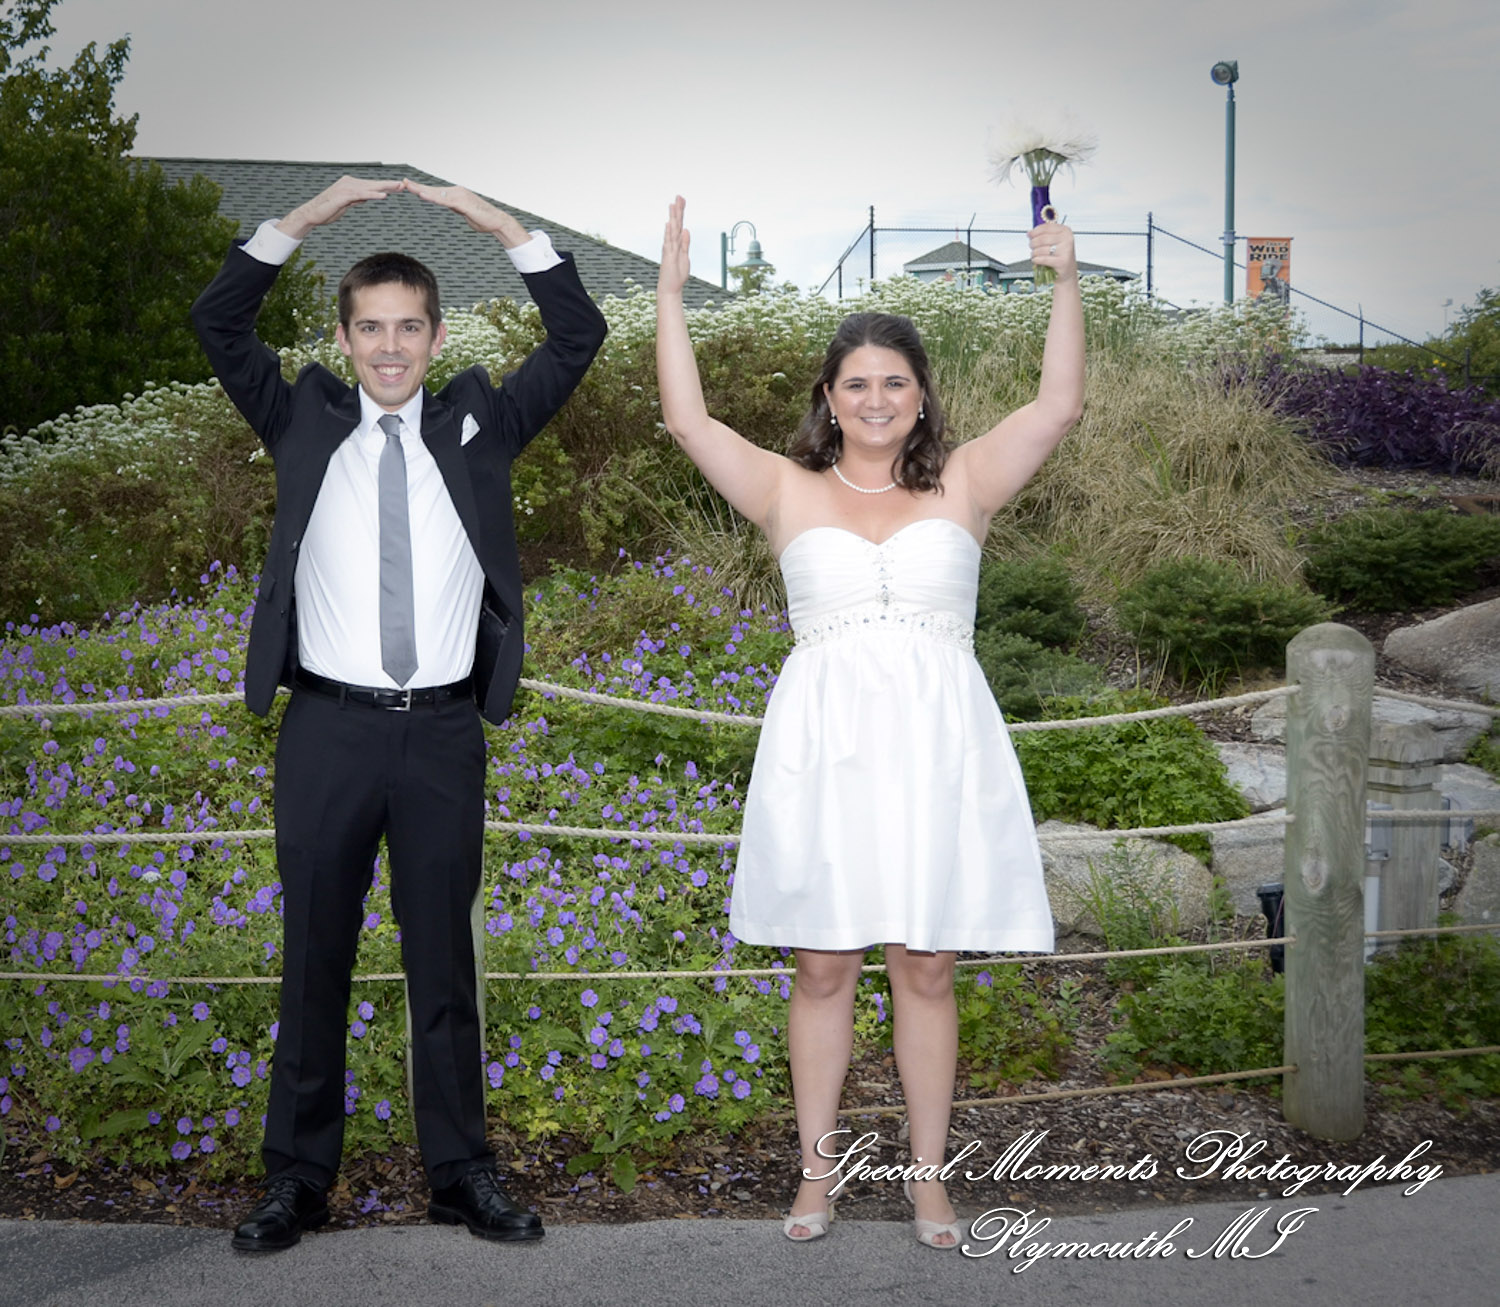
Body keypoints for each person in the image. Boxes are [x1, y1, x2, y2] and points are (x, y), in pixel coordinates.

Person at [654, 196, 1082, 1249]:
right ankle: (817, 1176)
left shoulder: (969, 482)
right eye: (857, 382)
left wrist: (1067, 281)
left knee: (925, 965)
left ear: (921, 394)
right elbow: (689, 421)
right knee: (823, 965)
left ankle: (930, 1182)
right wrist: (668, 294)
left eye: (895, 381)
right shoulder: (783, 489)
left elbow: (1058, 404)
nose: (877, 398)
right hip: (825, 754)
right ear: (829, 397)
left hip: (938, 752)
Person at [191, 175, 607, 1251]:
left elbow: (578, 334)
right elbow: (218, 320)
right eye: (370, 327)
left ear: (436, 335)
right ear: (342, 337)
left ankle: (461, 1172)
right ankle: (297, 1177)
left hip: (441, 734)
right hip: (326, 730)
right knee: (313, 956)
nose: (389, 347)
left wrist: (503, 227)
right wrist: (305, 218)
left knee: (443, 964)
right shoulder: (299, 415)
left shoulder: (482, 422)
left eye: (408, 327)